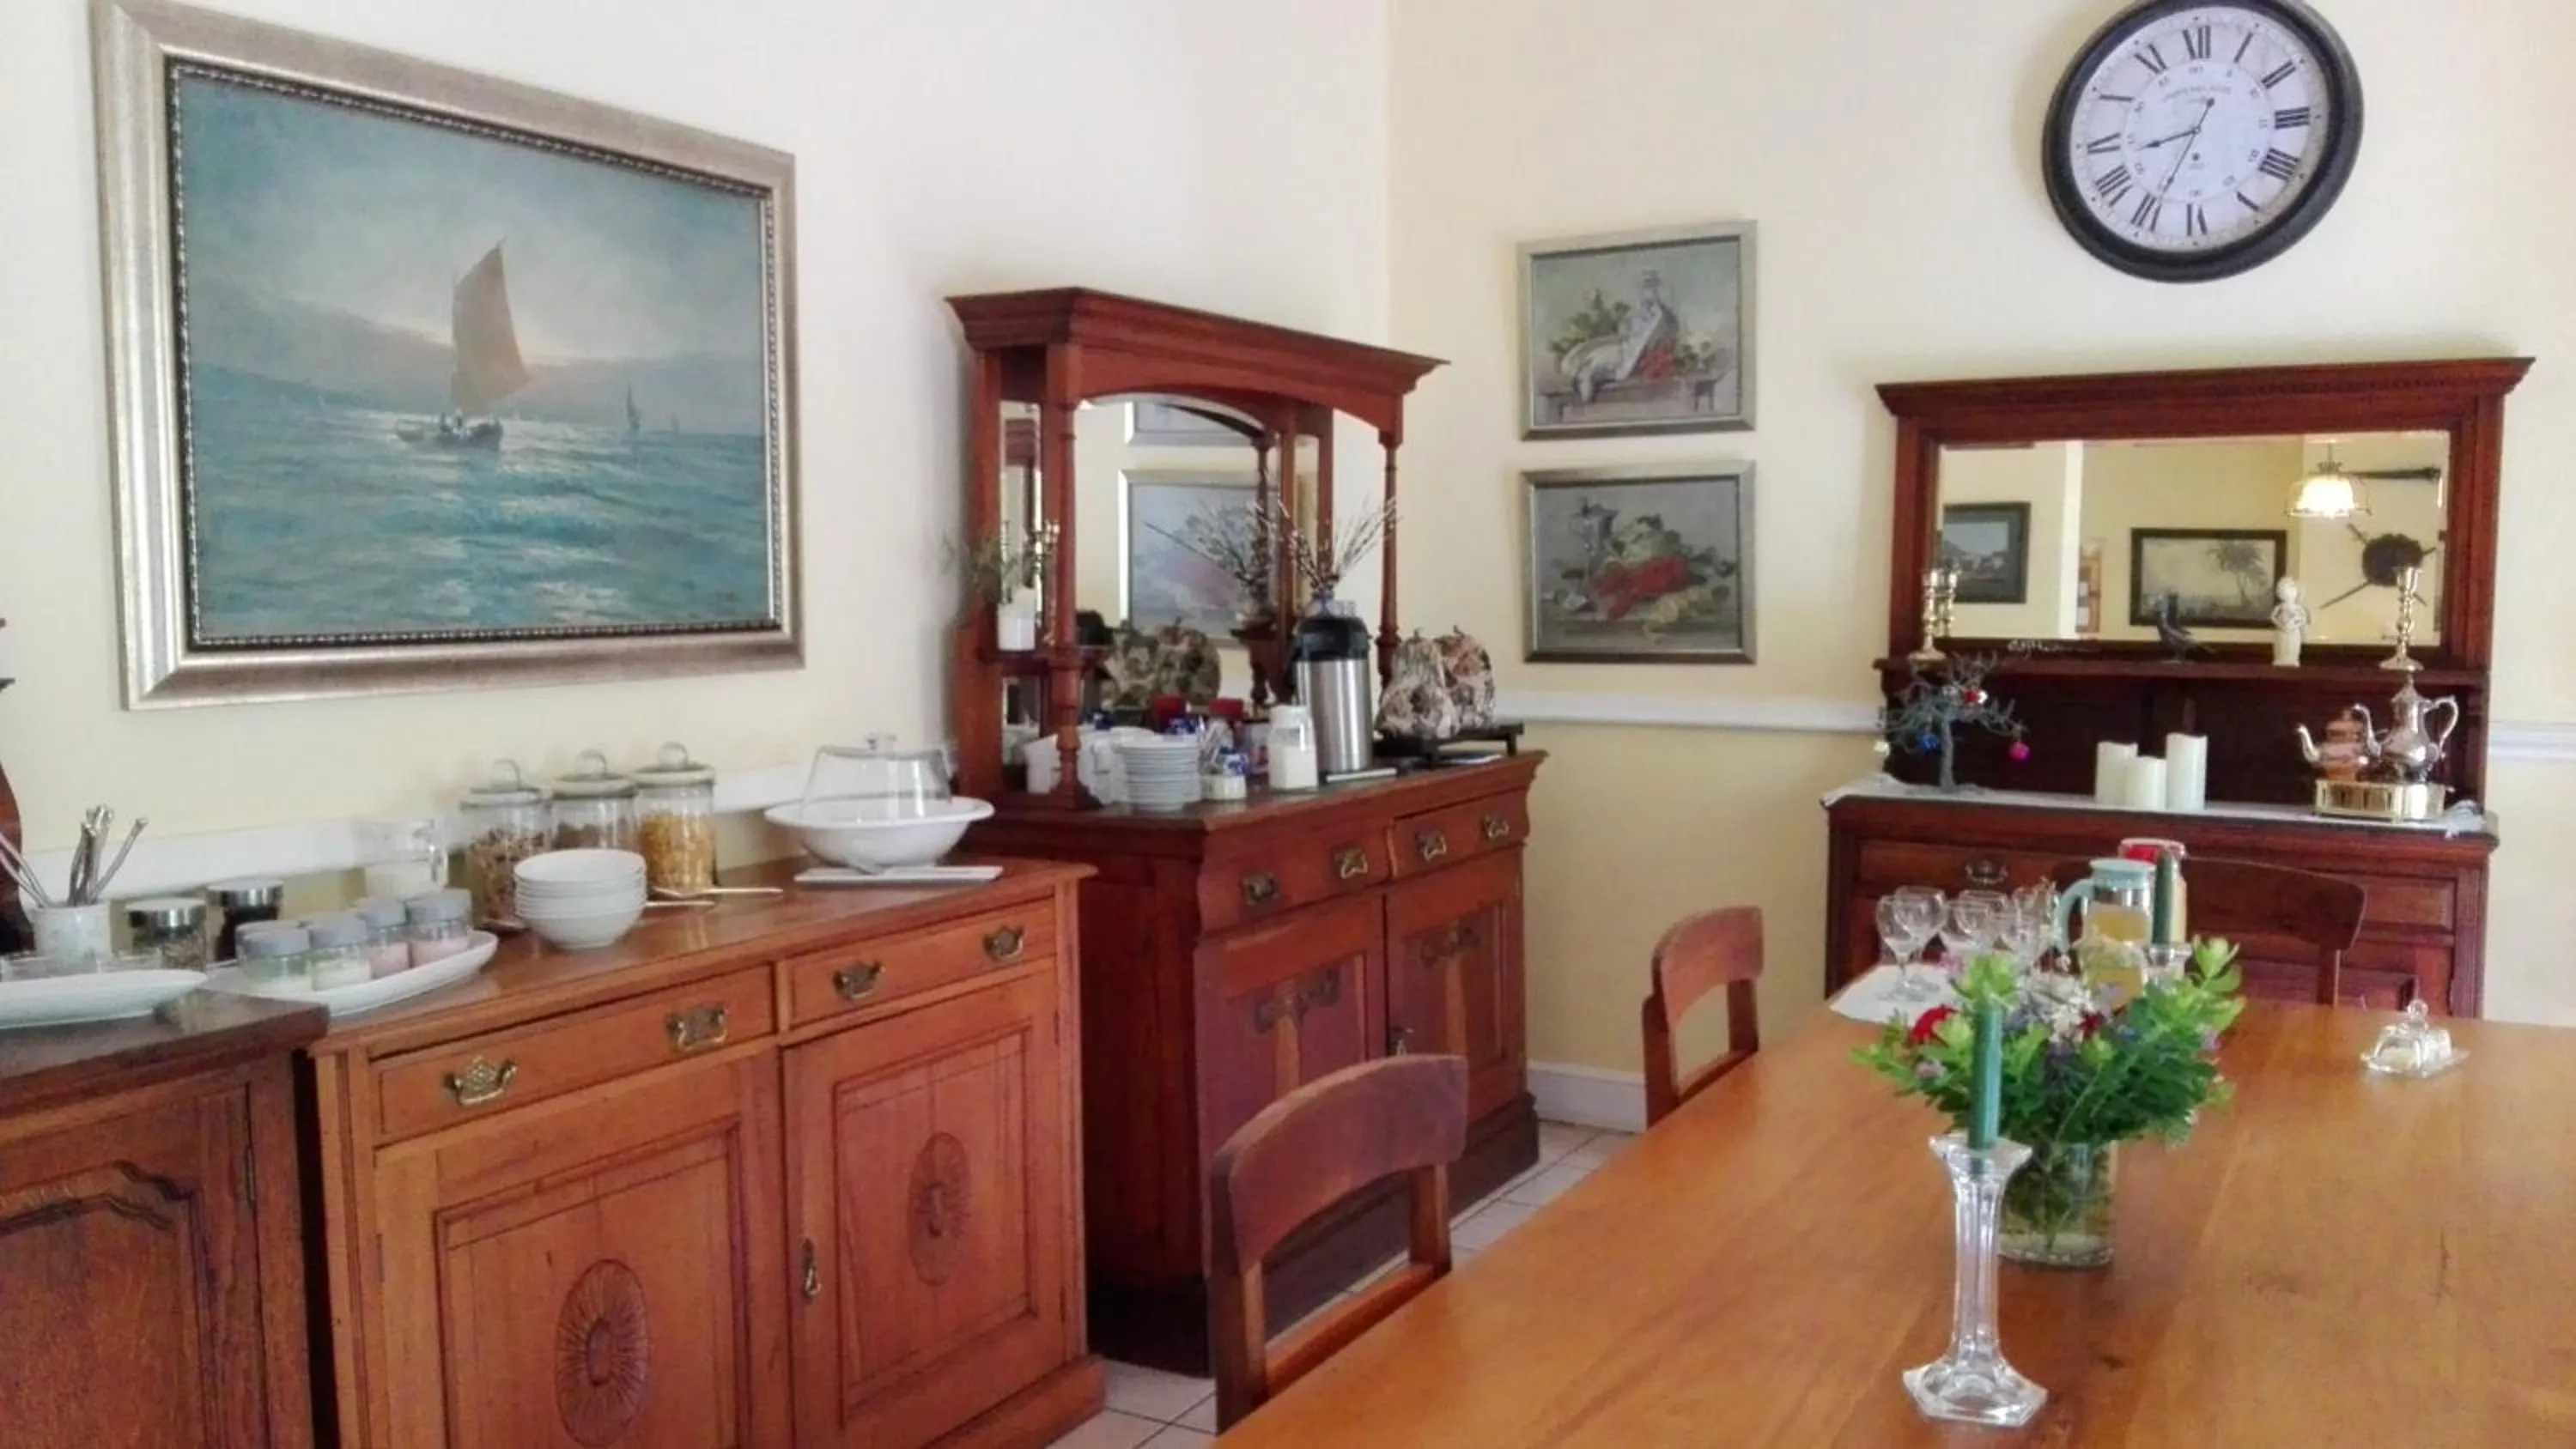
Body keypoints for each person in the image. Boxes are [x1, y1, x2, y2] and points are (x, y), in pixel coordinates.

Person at [2270, 576, 2312, 666]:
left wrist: (2295, 625)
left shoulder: (2298, 608)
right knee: (2282, 645)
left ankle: (2292, 659)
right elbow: (2273, 617)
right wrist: (2280, 625)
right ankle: (2281, 659)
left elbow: (2303, 618)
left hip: (2293, 631)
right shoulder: (2280, 607)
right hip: (2281, 631)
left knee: (2292, 645)